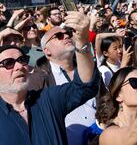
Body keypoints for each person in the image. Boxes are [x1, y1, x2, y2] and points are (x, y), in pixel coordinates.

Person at [0, 12, 99, 144]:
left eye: (22, 60)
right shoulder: (41, 78)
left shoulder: (47, 99)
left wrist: (82, 40)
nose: (19, 66)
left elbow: (85, 87)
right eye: (8, 63)